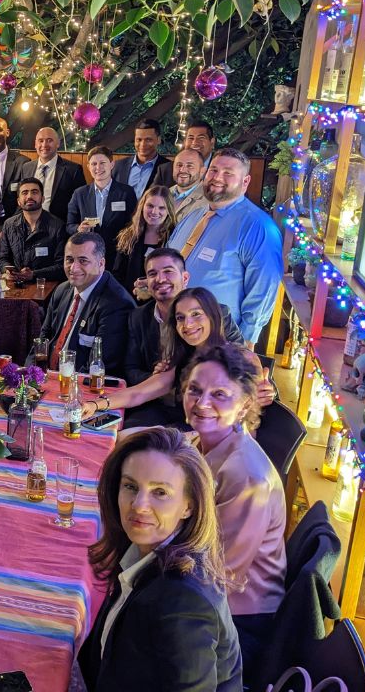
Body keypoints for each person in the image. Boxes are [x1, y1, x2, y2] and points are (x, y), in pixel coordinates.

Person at [78, 427, 243, 692]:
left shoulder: (182, 604)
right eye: (130, 486)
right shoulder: (141, 549)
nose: (139, 505)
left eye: (160, 492)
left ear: (189, 506)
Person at [183, 343, 287, 677]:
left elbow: (221, 574)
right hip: (207, 586)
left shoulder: (246, 476)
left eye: (219, 395)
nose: (202, 403)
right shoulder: (204, 441)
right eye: (194, 390)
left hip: (238, 621)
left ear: (244, 406)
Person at [86, 287, 274, 428]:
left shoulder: (242, 357)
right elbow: (139, 393)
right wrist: (95, 404)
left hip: (215, 440)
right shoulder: (183, 356)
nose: (188, 324)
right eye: (180, 318)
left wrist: (267, 391)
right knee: (124, 437)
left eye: (196, 314)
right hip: (185, 427)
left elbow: (249, 423)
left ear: (213, 316)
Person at [167, 148, 283, 345]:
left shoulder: (258, 226)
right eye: (213, 170)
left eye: (228, 173)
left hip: (219, 339)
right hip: (177, 329)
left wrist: (245, 342)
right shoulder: (194, 216)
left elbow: (263, 290)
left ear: (245, 182)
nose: (217, 177)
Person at [125, 248, 243, 388]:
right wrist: (156, 379)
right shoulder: (138, 317)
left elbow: (243, 360)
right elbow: (131, 369)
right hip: (154, 397)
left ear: (185, 278)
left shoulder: (218, 313)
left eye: (168, 271)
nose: (160, 279)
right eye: (152, 274)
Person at [40, 233, 135, 377]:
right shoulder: (61, 290)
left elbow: (99, 366)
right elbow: (42, 340)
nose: (73, 268)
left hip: (82, 384)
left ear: (101, 264)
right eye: (69, 260)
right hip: (48, 378)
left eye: (83, 261)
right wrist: (31, 376)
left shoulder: (117, 304)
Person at [66, 146, 138, 266]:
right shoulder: (79, 194)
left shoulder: (126, 192)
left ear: (112, 164)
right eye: (94, 164)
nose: (98, 167)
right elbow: (69, 225)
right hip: (88, 258)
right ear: (88, 167)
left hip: (118, 256)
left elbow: (133, 224)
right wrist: (79, 229)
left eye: (102, 163)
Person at [111, 185, 176, 298]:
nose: (154, 212)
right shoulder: (128, 235)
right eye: (150, 206)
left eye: (162, 208)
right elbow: (117, 274)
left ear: (169, 211)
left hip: (161, 300)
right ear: (142, 206)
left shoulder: (174, 236)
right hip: (129, 300)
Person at [0, 177, 66, 284]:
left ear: (42, 198)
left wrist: (34, 274)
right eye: (25, 193)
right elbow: (2, 258)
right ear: (18, 201)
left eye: (34, 192)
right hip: (16, 285)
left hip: (46, 285)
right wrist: (8, 271)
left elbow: (62, 266)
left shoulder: (58, 226)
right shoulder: (9, 225)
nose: (29, 196)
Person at [21, 127, 86, 222]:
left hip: (61, 226)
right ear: (35, 144)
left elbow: (81, 204)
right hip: (29, 224)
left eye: (49, 140)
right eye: (40, 141)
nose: (44, 145)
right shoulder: (26, 168)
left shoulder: (73, 170)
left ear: (58, 143)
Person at [111, 118, 175, 198]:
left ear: (158, 140)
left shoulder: (169, 168)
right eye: (139, 139)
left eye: (148, 140)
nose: (143, 144)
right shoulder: (118, 166)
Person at [171, 148, 207, 223]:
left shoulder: (208, 202)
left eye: (190, 166)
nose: (182, 170)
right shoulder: (163, 193)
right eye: (179, 165)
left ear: (202, 171)